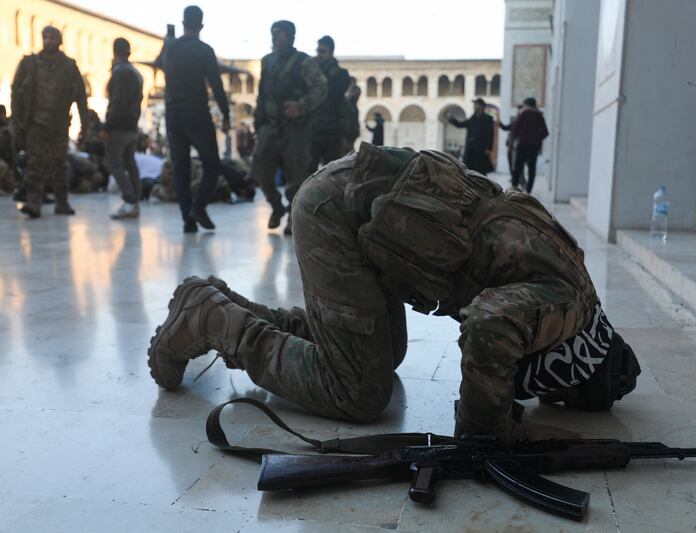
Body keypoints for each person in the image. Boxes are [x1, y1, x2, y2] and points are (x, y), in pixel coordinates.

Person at [147, 144, 641, 443]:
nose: (549, 399)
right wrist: (488, 432)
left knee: (383, 352)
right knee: (359, 392)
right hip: (340, 216)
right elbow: (491, 323)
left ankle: (226, 307)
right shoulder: (567, 308)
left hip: (365, 210)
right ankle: (211, 321)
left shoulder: (575, 280)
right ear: (578, 369)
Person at [251, 20, 327, 235]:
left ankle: (294, 218)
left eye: (279, 34)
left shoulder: (303, 62)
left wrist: (301, 106)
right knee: (260, 170)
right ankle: (276, 206)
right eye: (272, 33)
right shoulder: (267, 61)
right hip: (270, 126)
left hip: (296, 128)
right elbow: (262, 94)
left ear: (290, 36)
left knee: (296, 176)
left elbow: (320, 88)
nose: (275, 37)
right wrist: (258, 122)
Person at [163, 5, 230, 233]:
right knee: (212, 164)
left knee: (181, 168)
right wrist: (226, 114)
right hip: (196, 113)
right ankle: (198, 206)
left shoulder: (170, 49)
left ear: (183, 23)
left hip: (173, 114)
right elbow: (216, 85)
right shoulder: (204, 50)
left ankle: (187, 220)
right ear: (201, 25)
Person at [10, 25, 88, 218]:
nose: (48, 41)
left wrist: (84, 125)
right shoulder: (30, 64)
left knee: (60, 163)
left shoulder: (69, 66)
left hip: (59, 123)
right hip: (35, 122)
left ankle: (62, 202)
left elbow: (81, 97)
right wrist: (17, 118)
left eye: (52, 37)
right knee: (34, 162)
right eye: (45, 37)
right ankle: (33, 202)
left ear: (59, 41)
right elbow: (16, 92)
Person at [101, 38, 144, 220]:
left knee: (113, 163)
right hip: (132, 125)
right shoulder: (135, 72)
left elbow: (117, 101)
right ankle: (135, 201)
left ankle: (129, 200)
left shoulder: (120, 72)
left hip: (119, 126)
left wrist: (107, 126)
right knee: (129, 161)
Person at [309, 35, 351, 173]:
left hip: (332, 130)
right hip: (312, 129)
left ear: (331, 52)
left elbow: (332, 94)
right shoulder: (310, 71)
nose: (319, 55)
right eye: (318, 51)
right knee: (308, 170)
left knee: (331, 171)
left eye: (323, 51)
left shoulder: (341, 74)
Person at [511, 97, 549, 194]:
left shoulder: (523, 114)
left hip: (522, 145)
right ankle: (529, 190)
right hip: (534, 147)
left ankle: (513, 188)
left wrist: (518, 137)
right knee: (531, 169)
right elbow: (545, 132)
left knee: (518, 168)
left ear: (527, 105)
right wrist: (537, 138)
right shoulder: (539, 115)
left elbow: (515, 129)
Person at [447, 98, 494, 175]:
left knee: (481, 170)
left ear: (481, 106)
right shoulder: (472, 118)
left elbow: (490, 134)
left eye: (476, 104)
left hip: (481, 149)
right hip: (470, 148)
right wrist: (452, 119)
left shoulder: (488, 119)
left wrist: (489, 148)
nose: (474, 106)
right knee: (470, 169)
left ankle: (481, 186)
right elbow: (460, 125)